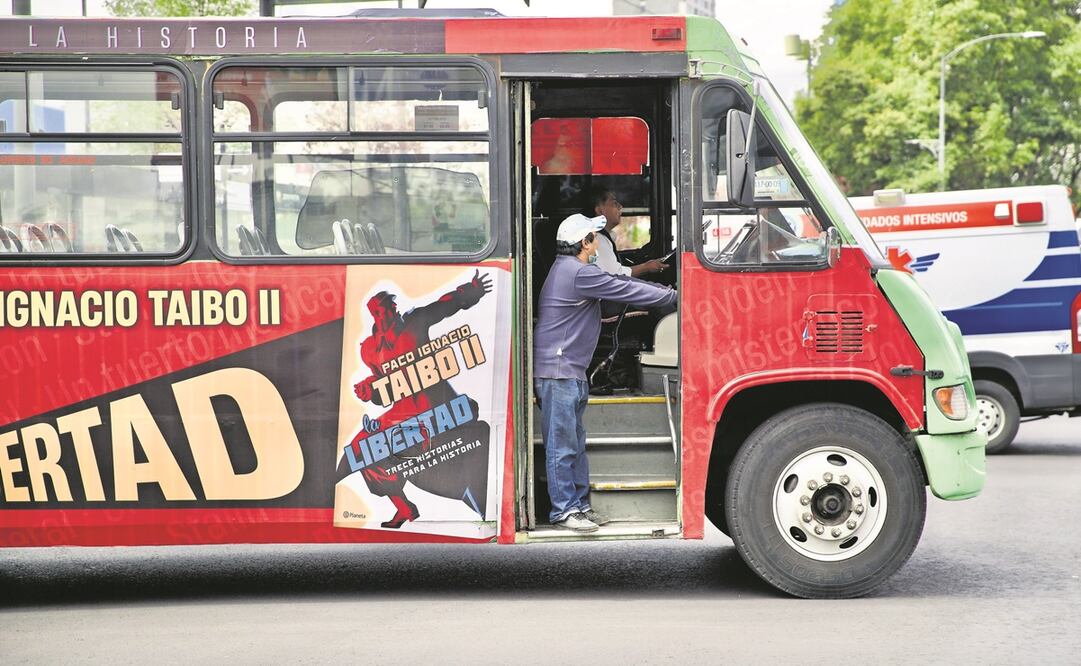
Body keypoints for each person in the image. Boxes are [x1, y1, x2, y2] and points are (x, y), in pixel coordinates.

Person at [534, 214, 677, 532]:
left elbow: (622, 283)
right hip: (559, 371)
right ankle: (565, 511)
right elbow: (624, 289)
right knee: (562, 445)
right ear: (584, 243)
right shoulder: (577, 273)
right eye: (595, 238)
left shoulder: (573, 270)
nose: (599, 242)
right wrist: (673, 296)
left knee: (575, 443)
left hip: (569, 370)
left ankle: (580, 506)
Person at [587, 187, 668, 278]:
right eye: (614, 203)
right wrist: (647, 267)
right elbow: (616, 275)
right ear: (599, 210)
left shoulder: (603, 237)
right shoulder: (597, 239)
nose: (620, 207)